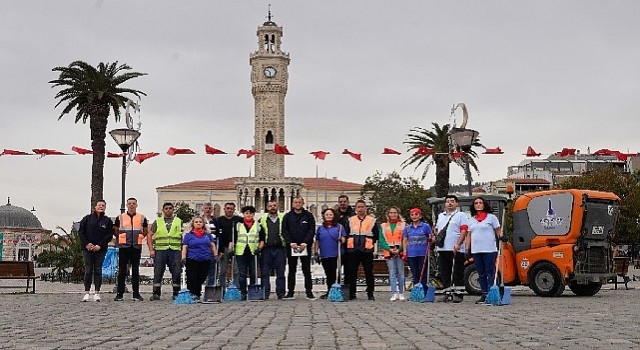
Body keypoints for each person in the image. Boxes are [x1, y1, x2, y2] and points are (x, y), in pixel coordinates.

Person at [465, 196, 504, 304]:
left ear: (484, 204)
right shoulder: (471, 220)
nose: (478, 204)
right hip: (476, 250)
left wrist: (501, 236)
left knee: (490, 271)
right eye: (476, 203)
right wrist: (467, 249)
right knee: (480, 273)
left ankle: (492, 292)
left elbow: (498, 230)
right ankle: (484, 293)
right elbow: (468, 235)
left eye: (480, 202)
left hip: (489, 249)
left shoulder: (491, 218)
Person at [113, 197, 148, 301]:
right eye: (129, 203)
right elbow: (115, 230)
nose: (131, 205)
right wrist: (121, 239)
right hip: (124, 247)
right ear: (127, 205)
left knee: (136, 271)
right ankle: (120, 294)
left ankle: (136, 294)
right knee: (122, 271)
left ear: (136, 205)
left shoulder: (142, 217)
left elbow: (145, 230)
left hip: (136, 246)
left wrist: (140, 237)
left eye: (133, 203)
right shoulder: (120, 217)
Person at [78, 199, 114, 302]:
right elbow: (81, 232)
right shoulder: (87, 219)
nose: (101, 207)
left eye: (103, 205)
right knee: (88, 270)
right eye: (99, 205)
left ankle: (97, 293)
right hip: (87, 249)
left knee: (98, 270)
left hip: (100, 249)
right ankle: (86, 293)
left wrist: (99, 245)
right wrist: (87, 244)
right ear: (95, 207)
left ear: (105, 207)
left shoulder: (107, 221)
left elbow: (109, 236)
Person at [344, 200, 379, 301]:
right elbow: (346, 234)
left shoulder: (372, 220)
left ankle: (370, 293)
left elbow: (375, 235)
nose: (360, 209)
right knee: (352, 272)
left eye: (362, 207)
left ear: (365, 208)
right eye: (358, 207)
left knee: (368, 272)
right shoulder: (350, 220)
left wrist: (370, 242)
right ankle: (352, 293)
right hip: (353, 250)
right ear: (355, 209)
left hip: (366, 250)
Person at [282, 196, 316, 300]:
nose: (297, 204)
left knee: (307, 270)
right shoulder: (287, 216)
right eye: (295, 202)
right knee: (291, 270)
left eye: (299, 202)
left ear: (303, 203)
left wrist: (305, 242)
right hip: (292, 246)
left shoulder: (309, 216)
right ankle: (290, 292)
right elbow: (284, 230)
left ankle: (309, 292)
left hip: (305, 246)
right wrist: (290, 242)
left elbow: (311, 230)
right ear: (293, 204)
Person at [148, 202, 183, 301]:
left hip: (175, 250)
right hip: (160, 250)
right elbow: (149, 235)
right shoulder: (157, 221)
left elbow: (182, 236)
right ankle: (156, 293)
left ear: (173, 210)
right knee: (158, 271)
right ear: (163, 210)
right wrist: (151, 249)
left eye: (170, 208)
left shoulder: (178, 221)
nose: (168, 210)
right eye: (166, 208)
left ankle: (176, 293)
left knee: (176, 272)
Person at [435, 195, 469, 292]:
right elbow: (438, 231)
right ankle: (447, 291)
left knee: (457, 271)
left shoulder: (461, 215)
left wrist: (458, 243)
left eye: (452, 201)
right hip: (442, 248)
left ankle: (458, 293)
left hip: (455, 248)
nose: (450, 203)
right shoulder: (440, 216)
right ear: (445, 204)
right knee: (445, 271)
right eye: (448, 201)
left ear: (457, 203)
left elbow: (464, 231)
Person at [182, 216, 218, 302]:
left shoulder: (207, 235)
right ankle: (192, 294)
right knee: (192, 277)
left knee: (201, 277)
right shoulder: (188, 235)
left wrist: (215, 255)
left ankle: (197, 294)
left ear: (203, 224)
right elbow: (185, 247)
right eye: (196, 222)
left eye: (200, 222)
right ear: (193, 224)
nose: (198, 223)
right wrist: (183, 257)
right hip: (192, 259)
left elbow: (212, 245)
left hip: (205, 259)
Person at [234, 205, 265, 300]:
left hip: (253, 252)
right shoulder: (238, 225)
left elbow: (262, 239)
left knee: (253, 272)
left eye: (250, 213)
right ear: (243, 214)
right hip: (241, 252)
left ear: (253, 214)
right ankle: (243, 292)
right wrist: (232, 249)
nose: (248, 215)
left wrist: (259, 248)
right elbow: (233, 238)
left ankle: (252, 292)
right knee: (242, 273)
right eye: (246, 213)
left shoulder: (258, 226)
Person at [314, 208, 346, 299]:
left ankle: (335, 290)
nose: (328, 216)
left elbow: (344, 238)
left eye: (330, 214)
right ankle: (329, 290)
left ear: (334, 216)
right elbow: (317, 241)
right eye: (327, 215)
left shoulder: (339, 227)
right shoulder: (320, 228)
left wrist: (341, 240)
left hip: (336, 254)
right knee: (328, 273)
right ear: (324, 216)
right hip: (325, 254)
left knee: (334, 273)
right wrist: (316, 252)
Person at [258, 200, 287, 299]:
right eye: (270, 206)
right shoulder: (262, 219)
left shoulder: (283, 218)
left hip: (280, 248)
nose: (272, 207)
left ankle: (281, 293)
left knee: (280, 272)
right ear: (267, 207)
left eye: (274, 205)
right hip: (266, 249)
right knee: (265, 273)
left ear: (278, 207)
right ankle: (265, 293)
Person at [379, 206, 406, 301]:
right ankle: (394, 292)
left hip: (400, 251)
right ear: (388, 214)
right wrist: (389, 249)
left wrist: (401, 249)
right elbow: (381, 240)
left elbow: (405, 239)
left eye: (395, 212)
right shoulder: (383, 226)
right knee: (392, 273)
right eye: (391, 213)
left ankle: (401, 292)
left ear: (398, 214)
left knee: (401, 273)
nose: (393, 214)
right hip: (389, 252)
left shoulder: (403, 225)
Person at [402, 208, 432, 290]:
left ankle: (424, 290)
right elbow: (405, 240)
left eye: (416, 214)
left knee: (423, 273)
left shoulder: (425, 226)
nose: (414, 216)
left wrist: (431, 239)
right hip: (411, 253)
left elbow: (431, 237)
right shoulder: (407, 228)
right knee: (414, 273)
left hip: (422, 253)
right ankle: (416, 291)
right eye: (412, 215)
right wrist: (405, 251)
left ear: (420, 216)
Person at [217, 202, 242, 292]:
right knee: (223, 270)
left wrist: (235, 243)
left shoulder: (239, 220)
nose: (229, 210)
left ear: (234, 210)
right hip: (223, 248)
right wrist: (220, 249)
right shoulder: (219, 220)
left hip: (236, 247)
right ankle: (222, 289)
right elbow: (218, 235)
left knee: (236, 270)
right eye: (228, 208)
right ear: (224, 209)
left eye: (231, 208)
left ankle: (236, 289)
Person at [202, 203, 222, 287]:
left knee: (213, 266)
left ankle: (211, 285)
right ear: (203, 209)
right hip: (202, 246)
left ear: (212, 210)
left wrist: (220, 250)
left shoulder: (216, 221)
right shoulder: (200, 220)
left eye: (209, 208)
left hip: (213, 245)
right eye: (206, 208)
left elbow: (219, 235)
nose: (208, 210)